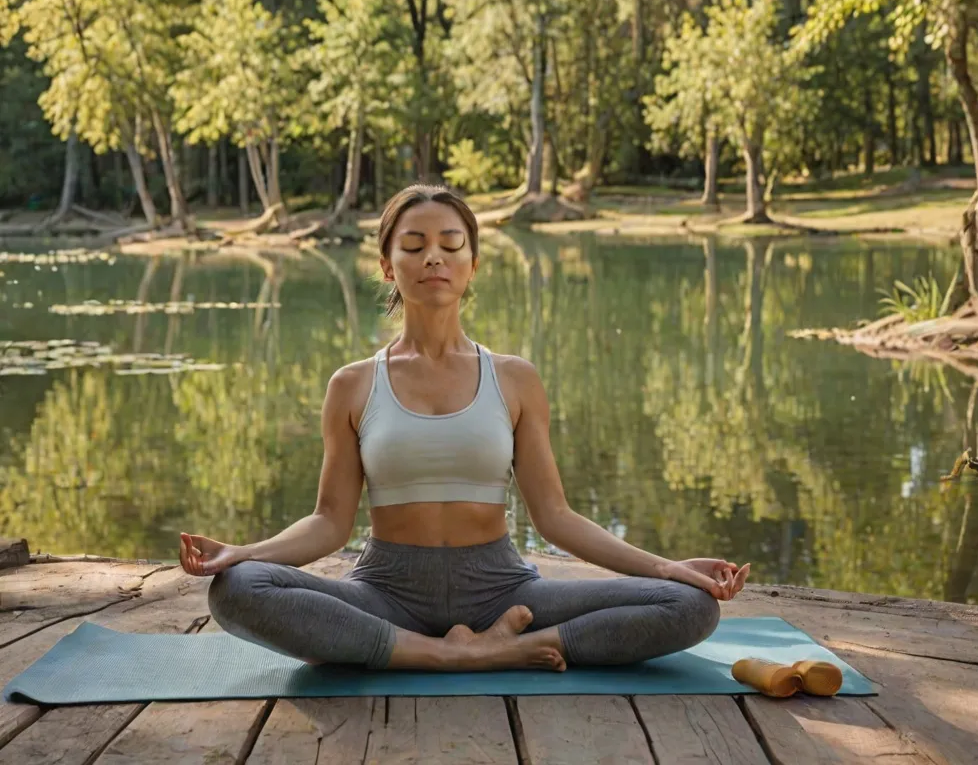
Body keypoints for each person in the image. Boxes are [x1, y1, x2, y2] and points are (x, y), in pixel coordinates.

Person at [179, 183, 750, 672]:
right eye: (414, 246)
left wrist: (667, 567)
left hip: (502, 590)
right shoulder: (352, 385)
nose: (434, 258)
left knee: (690, 605)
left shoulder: (515, 378)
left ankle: (501, 645)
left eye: (451, 245)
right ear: (387, 265)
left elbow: (555, 517)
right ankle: (455, 654)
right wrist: (245, 551)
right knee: (239, 589)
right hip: (386, 592)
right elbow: (329, 523)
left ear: (473, 264)